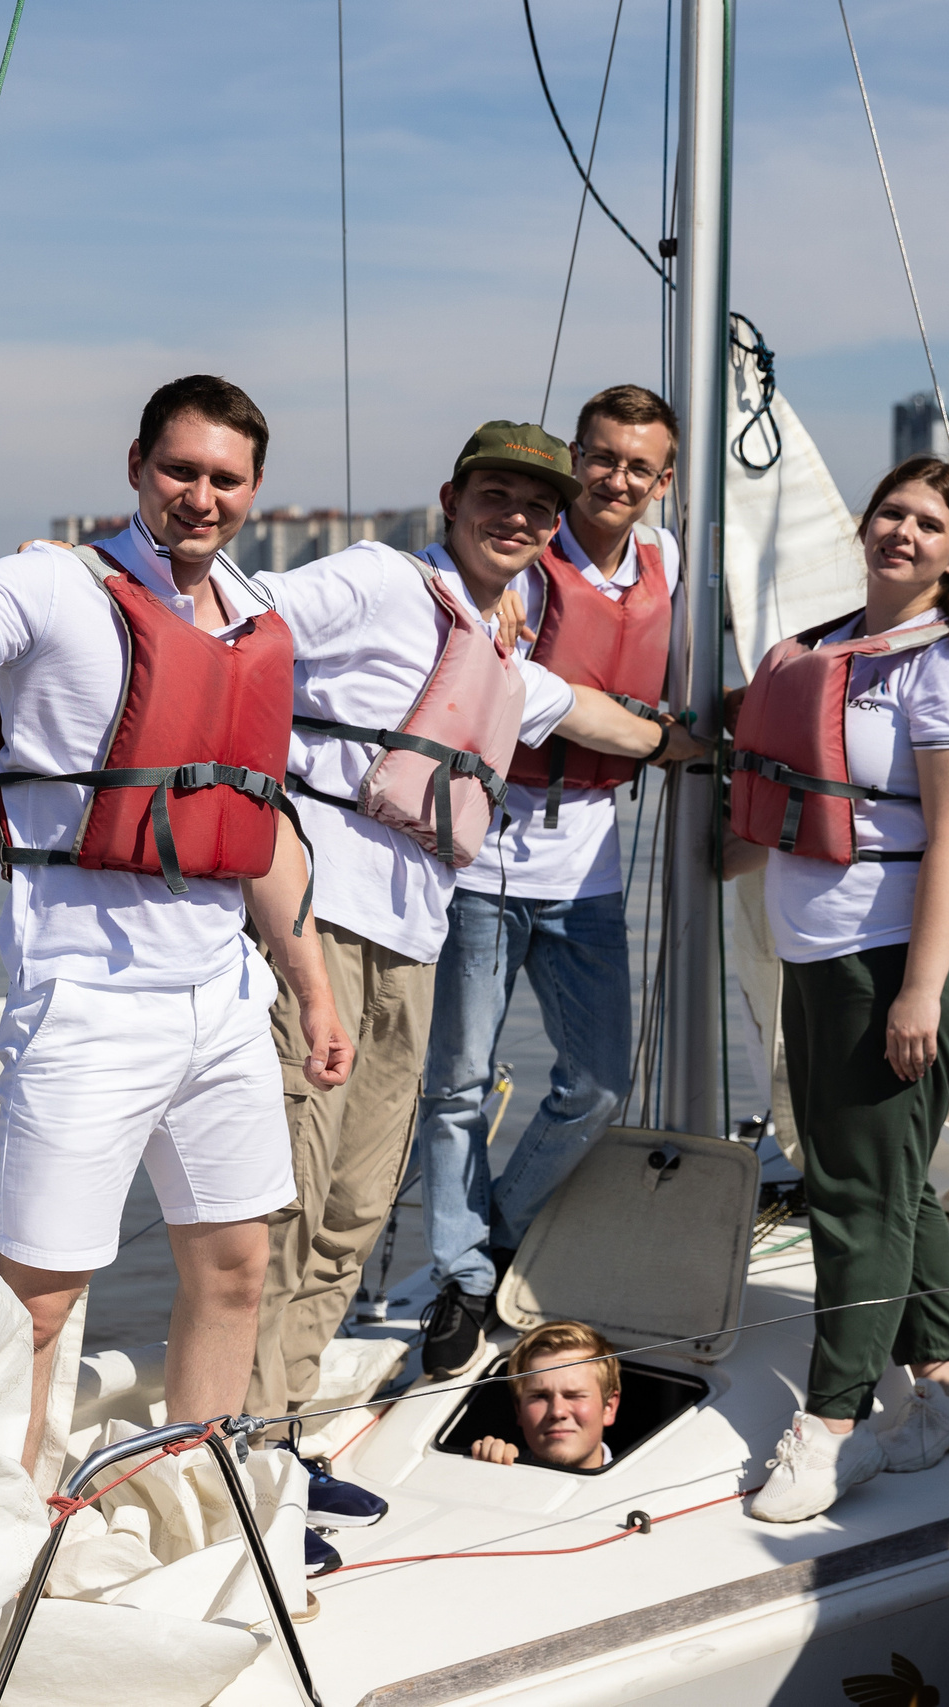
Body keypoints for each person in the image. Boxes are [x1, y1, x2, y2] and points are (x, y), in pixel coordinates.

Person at [0, 375, 353, 1477]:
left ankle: (192, 1491)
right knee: (38, 1303)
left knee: (235, 1270)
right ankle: (0, 1526)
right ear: (135, 466)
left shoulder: (257, 621)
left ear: (255, 491)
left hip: (223, 1001)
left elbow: (256, 832)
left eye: (225, 479)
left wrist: (310, 986)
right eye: (180, 471)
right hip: (86, 1002)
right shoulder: (49, 585)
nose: (199, 498)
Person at [246, 419, 700, 1453]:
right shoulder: (374, 579)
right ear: (450, 499)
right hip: (319, 925)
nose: (518, 519)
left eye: (537, 508)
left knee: (355, 1209)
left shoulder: (497, 645)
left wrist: (689, 743)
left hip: (410, 937)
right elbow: (237, 616)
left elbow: (583, 712)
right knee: (292, 1196)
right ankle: (240, 1436)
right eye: (495, 496)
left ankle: (281, 1440)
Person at [719, 455, 949, 1524]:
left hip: (899, 958)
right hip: (824, 952)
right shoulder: (825, 647)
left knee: (852, 1195)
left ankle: (833, 1424)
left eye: (930, 524)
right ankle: (941, 1392)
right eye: (892, 512)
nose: (904, 533)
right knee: (882, 1176)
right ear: (863, 522)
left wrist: (917, 995)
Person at [414, 384, 682, 1378]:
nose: (614, 479)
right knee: (457, 1084)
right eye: (599, 458)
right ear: (577, 460)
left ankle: (492, 1232)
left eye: (636, 465)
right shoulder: (521, 566)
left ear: (662, 481)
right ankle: (459, 1276)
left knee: (598, 1082)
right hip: (483, 851)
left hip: (588, 864)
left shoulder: (669, 568)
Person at [467, 1321, 622, 1471]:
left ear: (609, 1408)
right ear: (519, 1410)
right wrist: (484, 1474)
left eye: (573, 1395)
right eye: (540, 1396)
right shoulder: (491, 1469)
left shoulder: (639, 1492)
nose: (557, 1412)